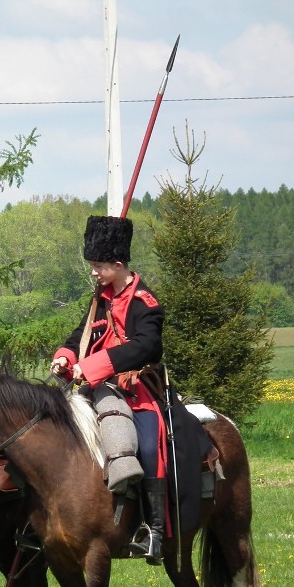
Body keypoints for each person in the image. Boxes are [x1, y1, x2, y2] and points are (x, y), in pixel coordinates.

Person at [51, 215, 167, 565]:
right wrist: (66, 357)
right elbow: (80, 336)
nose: (94, 273)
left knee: (147, 444)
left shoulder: (145, 302)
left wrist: (95, 365)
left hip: (137, 389)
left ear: (118, 265)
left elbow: (147, 347)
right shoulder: (99, 300)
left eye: (98, 266)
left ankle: (153, 529)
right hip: (95, 387)